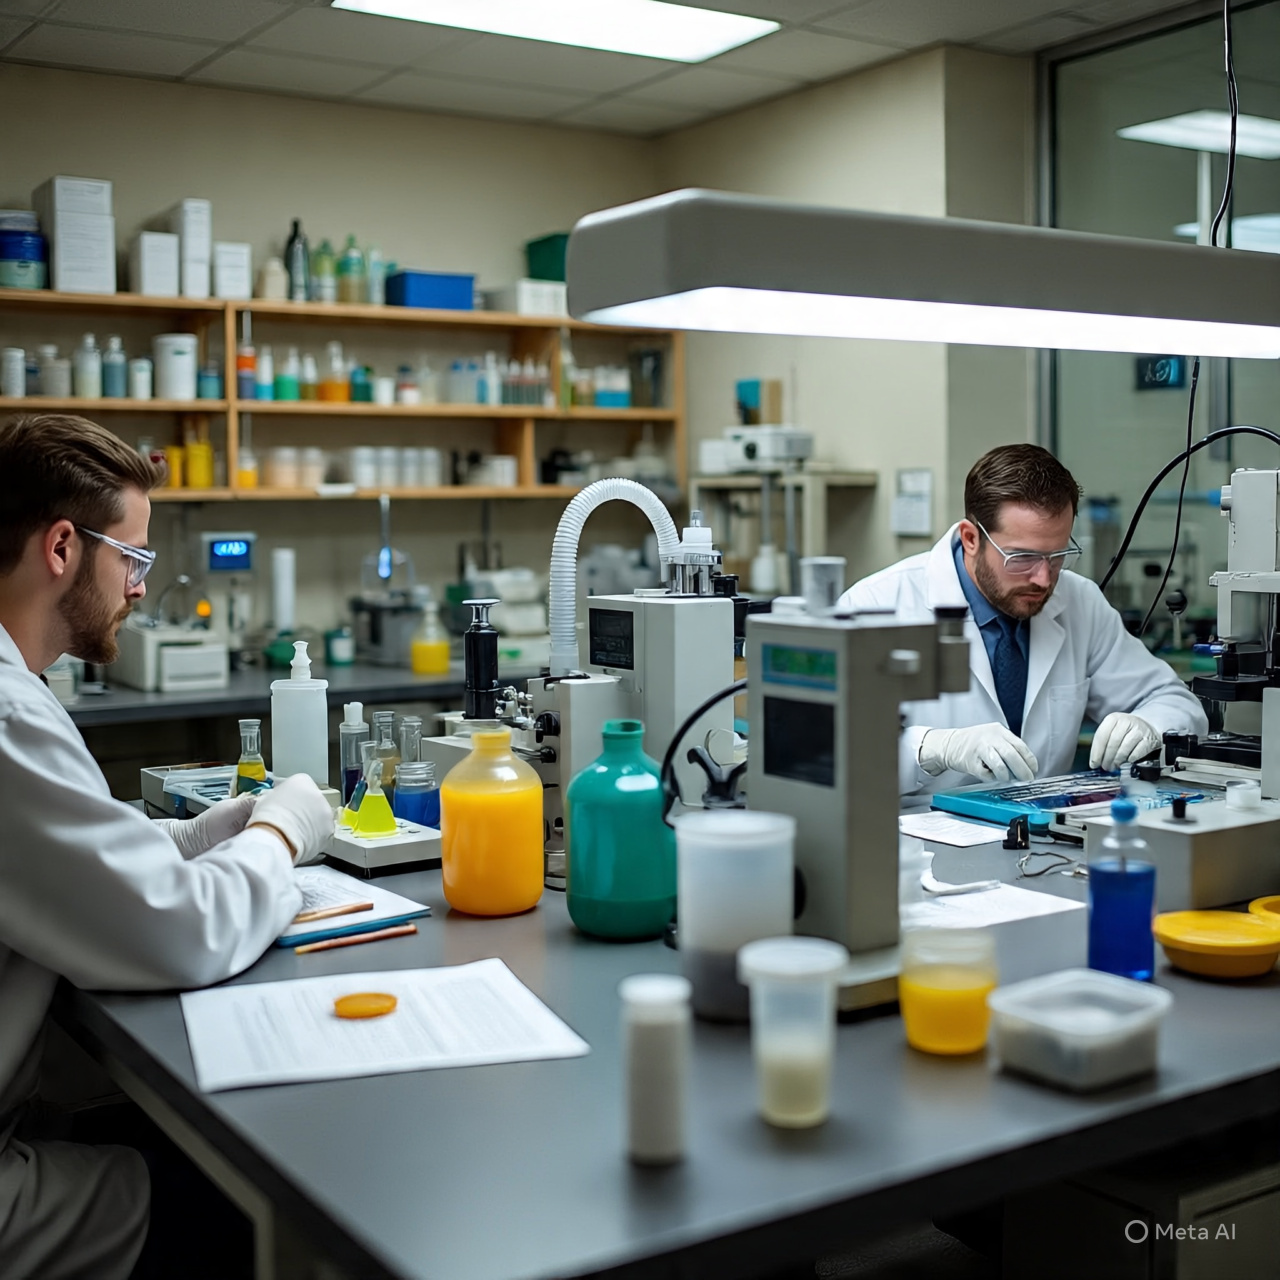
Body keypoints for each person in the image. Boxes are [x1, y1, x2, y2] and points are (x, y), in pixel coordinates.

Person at [0, 413, 335, 1279]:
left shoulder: (17, 691)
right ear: (64, 547)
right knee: (240, 1201)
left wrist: (195, 832)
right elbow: (182, 930)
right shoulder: (7, 717)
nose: (141, 590)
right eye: (135, 560)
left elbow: (67, 858)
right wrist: (279, 831)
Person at [837, 443, 1208, 796]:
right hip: (916, 841)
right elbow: (832, 753)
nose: (1044, 579)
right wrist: (932, 749)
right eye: (1022, 558)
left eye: (1058, 555)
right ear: (970, 539)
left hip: (1044, 842)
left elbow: (1175, 702)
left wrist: (1149, 727)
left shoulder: (1079, 601)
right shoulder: (875, 606)